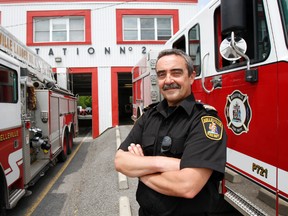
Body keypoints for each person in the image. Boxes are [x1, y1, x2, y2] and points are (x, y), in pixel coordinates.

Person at [114, 48, 227, 216]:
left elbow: (187, 186)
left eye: (176, 73)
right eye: (161, 74)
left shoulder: (205, 121)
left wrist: (141, 171)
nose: (168, 80)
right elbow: (120, 161)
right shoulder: (148, 116)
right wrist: (167, 164)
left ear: (191, 76)